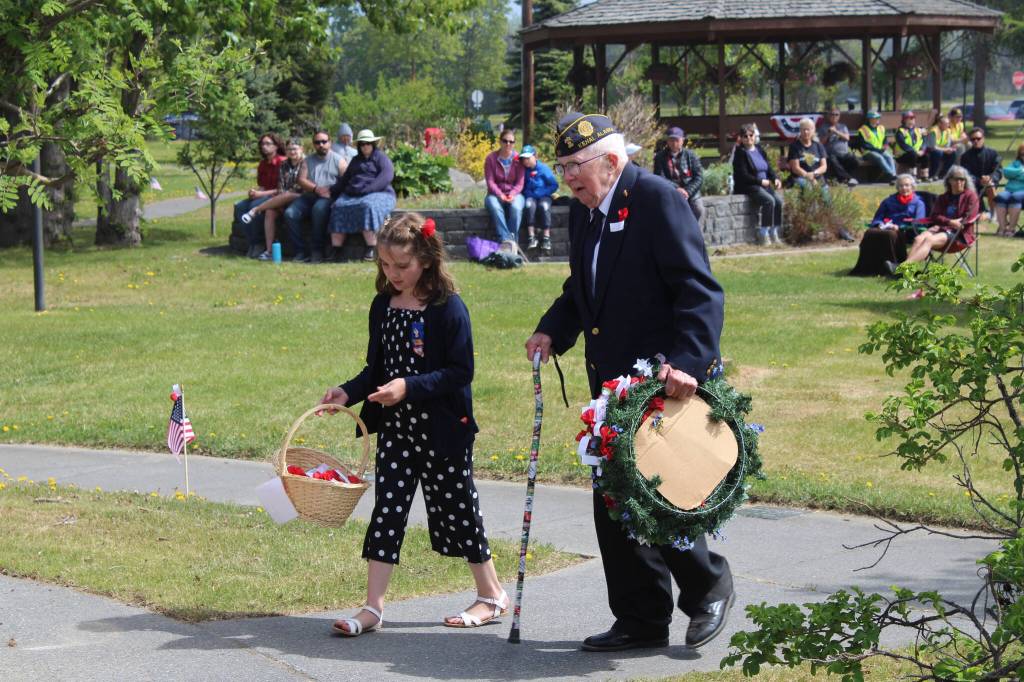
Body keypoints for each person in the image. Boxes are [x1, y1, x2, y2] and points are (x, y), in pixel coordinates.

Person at [525, 112, 734, 653]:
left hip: (661, 376)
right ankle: (641, 617)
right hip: (610, 381)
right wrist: (553, 329)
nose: (568, 176)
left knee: (661, 493)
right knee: (615, 502)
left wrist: (688, 359)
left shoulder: (658, 198)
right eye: (564, 166)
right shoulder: (585, 210)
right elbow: (584, 283)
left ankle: (709, 585)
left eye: (577, 166)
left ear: (612, 161)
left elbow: (698, 290)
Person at [320, 212, 506, 636]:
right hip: (399, 430)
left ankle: (492, 595)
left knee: (459, 510)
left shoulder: (448, 308)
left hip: (445, 429)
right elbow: (376, 368)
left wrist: (408, 386)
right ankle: (373, 608)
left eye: (401, 265)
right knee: (388, 511)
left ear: (425, 258)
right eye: (385, 265)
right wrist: (346, 392)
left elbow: (461, 373)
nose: (393, 273)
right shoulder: (383, 306)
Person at [885, 166, 978, 274]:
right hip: (943, 229)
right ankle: (907, 271)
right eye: (956, 179)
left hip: (960, 235)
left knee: (929, 240)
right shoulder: (943, 198)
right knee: (919, 239)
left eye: (962, 179)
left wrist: (957, 223)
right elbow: (935, 216)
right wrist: (949, 222)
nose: (959, 182)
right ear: (949, 180)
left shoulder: (971, 196)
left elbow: (970, 216)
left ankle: (902, 269)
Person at [328, 129, 394, 262]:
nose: (365, 146)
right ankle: (336, 249)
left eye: (368, 143)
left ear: (373, 144)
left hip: (379, 192)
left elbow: (387, 176)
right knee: (338, 206)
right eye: (362, 144)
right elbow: (345, 179)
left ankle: (371, 247)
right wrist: (331, 190)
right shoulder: (355, 160)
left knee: (367, 206)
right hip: (354, 193)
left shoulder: (381, 157)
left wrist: (369, 189)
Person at [241, 138, 307, 260]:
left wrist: (283, 197)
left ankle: (255, 210)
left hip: (301, 197)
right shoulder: (284, 165)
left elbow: (299, 188)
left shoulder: (306, 163)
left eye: (294, 149)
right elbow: (281, 187)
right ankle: (269, 251)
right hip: (283, 198)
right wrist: (280, 202)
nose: (292, 151)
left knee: (288, 197)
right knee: (270, 212)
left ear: (301, 149)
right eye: (289, 149)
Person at [284, 130, 345, 263]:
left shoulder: (338, 160)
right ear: (313, 144)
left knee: (318, 209)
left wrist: (331, 190)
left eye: (324, 141)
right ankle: (300, 251)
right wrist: (316, 188)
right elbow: (301, 179)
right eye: (317, 142)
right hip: (310, 195)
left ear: (330, 142)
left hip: (329, 196)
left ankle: (317, 250)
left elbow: (346, 180)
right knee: (290, 213)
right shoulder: (307, 161)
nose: (321, 145)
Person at [850, 174, 926, 276]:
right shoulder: (888, 201)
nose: (904, 188)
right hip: (885, 227)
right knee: (870, 232)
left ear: (912, 187)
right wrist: (880, 224)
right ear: (897, 187)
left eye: (907, 185)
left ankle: (895, 266)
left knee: (890, 234)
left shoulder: (918, 203)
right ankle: (869, 268)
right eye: (901, 185)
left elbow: (919, 221)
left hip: (906, 231)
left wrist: (900, 226)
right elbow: (877, 218)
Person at [234, 133, 286, 258]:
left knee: (254, 205)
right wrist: (254, 192)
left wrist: (261, 194)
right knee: (240, 207)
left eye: (268, 144)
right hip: (265, 194)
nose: (264, 146)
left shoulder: (282, 162)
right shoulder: (263, 164)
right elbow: (263, 185)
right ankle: (252, 242)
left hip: (278, 197)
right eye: (262, 144)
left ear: (276, 146)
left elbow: (282, 189)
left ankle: (259, 243)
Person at [733, 122, 784, 245]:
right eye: (745, 136)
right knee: (769, 201)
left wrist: (775, 178)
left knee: (778, 202)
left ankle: (774, 232)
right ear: (741, 138)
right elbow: (743, 176)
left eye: (751, 135)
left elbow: (768, 168)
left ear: (755, 136)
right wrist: (760, 181)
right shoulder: (740, 154)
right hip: (749, 186)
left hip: (764, 184)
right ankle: (763, 234)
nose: (749, 138)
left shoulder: (760, 150)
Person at [652, 127, 705, 223]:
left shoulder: (691, 155)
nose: (674, 143)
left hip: (691, 194)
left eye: (677, 140)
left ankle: (697, 236)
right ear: (667, 141)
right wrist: (676, 189)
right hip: (670, 192)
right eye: (671, 140)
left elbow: (699, 177)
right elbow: (660, 177)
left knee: (699, 209)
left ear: (682, 141)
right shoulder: (660, 157)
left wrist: (688, 192)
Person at [483, 129, 525, 249]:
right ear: (500, 142)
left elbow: (520, 183)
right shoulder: (491, 159)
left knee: (516, 208)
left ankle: (509, 244)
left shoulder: (518, 159)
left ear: (514, 143)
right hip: (494, 194)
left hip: (515, 194)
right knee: (495, 207)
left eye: (511, 142)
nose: (508, 144)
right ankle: (507, 242)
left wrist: (512, 194)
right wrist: (500, 194)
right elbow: (490, 182)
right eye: (505, 141)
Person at [519, 144, 559, 254]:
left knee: (544, 206)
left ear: (535, 156)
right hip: (530, 197)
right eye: (523, 159)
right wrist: (528, 193)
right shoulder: (523, 171)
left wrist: (542, 192)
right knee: (528, 205)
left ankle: (546, 238)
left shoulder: (543, 169)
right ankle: (531, 237)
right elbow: (522, 187)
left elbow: (554, 185)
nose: (526, 161)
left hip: (544, 197)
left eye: (528, 158)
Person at [959, 127, 1001, 216]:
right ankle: (980, 211)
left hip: (990, 183)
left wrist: (990, 178)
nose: (976, 141)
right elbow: (966, 174)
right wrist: (979, 181)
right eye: (973, 139)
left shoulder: (993, 153)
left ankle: (994, 214)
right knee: (971, 188)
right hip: (974, 184)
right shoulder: (965, 156)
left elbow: (998, 170)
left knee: (990, 185)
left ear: (983, 138)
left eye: (978, 138)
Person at [816, 108, 860, 187]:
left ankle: (842, 178)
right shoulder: (823, 127)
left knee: (855, 160)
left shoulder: (842, 126)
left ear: (839, 116)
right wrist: (828, 134)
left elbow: (847, 138)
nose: (834, 116)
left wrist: (836, 132)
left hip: (844, 154)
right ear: (829, 116)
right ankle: (848, 179)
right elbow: (820, 143)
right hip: (831, 154)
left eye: (836, 114)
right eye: (832, 114)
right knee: (832, 160)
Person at [786, 118, 829, 194]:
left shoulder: (819, 145)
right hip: (800, 177)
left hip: (817, 177)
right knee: (808, 188)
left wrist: (814, 174)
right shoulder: (794, 146)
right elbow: (795, 168)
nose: (806, 132)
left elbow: (824, 167)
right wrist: (808, 177)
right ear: (800, 130)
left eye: (808, 129)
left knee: (825, 196)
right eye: (803, 129)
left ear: (813, 130)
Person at [855, 111, 896, 182]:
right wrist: (877, 150)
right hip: (868, 152)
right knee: (880, 158)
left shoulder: (881, 128)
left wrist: (885, 145)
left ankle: (894, 176)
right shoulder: (862, 130)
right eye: (876, 118)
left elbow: (885, 139)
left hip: (880, 150)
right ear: (870, 119)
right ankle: (891, 175)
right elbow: (864, 145)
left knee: (889, 157)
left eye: (878, 118)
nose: (878, 119)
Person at [993, 143, 1024, 236]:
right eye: (1023, 154)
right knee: (1001, 197)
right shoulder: (1016, 164)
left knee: (1016, 197)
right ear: (1019, 155)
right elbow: (1006, 172)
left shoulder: (1015, 166)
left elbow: (1011, 173)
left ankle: (1011, 229)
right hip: (1009, 190)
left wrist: (1014, 175)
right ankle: (1002, 229)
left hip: (1021, 192)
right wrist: (1021, 171)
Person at [894, 111, 929, 181]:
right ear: (904, 120)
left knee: (926, 155)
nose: (911, 120)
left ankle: (924, 176)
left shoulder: (920, 130)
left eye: (913, 118)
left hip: (916, 153)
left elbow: (925, 141)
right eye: (909, 119)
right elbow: (902, 144)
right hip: (902, 155)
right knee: (912, 155)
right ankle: (913, 176)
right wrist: (915, 151)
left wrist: (922, 150)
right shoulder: (900, 131)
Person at [926, 114, 956, 181]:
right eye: (946, 124)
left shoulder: (948, 131)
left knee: (952, 154)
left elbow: (947, 145)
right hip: (930, 150)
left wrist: (951, 149)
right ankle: (932, 175)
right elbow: (933, 147)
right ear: (939, 124)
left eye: (948, 123)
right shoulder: (933, 131)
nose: (948, 125)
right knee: (937, 153)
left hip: (941, 150)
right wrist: (945, 150)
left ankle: (943, 174)